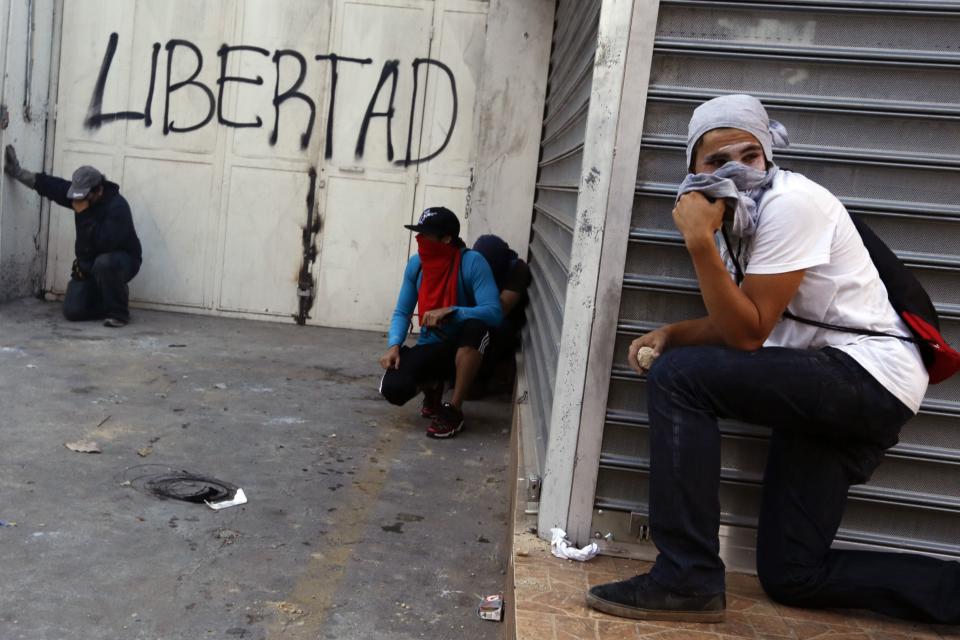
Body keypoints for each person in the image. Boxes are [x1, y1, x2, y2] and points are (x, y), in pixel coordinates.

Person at [586, 94, 959, 624]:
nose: (735, 170)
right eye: (716, 162)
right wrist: (676, 332)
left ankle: (685, 577)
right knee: (793, 574)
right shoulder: (745, 222)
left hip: (866, 377)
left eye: (749, 155)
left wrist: (699, 245)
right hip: (833, 386)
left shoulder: (791, 204)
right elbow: (749, 319)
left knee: (677, 381)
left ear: (768, 157)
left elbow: (747, 335)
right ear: (692, 170)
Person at [379, 207, 502, 438]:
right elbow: (402, 312)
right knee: (394, 388)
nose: (420, 240)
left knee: (476, 328)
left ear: (446, 239)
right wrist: (394, 344)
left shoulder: (472, 262)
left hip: (470, 348)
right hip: (434, 344)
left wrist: (454, 311)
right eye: (419, 234)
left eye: (426, 235)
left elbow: (494, 312)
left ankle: (454, 410)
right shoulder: (417, 265)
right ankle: (433, 387)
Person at [4, 145, 142, 327]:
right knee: (73, 311)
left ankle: (119, 312)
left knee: (104, 264)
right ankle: (108, 296)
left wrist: (84, 215)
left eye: (84, 197)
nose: (78, 201)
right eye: (76, 196)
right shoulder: (81, 196)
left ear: (98, 190)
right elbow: (50, 186)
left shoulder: (117, 208)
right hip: (93, 263)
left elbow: (103, 244)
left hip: (122, 260)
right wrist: (18, 172)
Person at [470, 234, 532, 395]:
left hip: (503, 325)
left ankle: (481, 377)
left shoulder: (517, 269)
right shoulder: (473, 265)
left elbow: (499, 310)